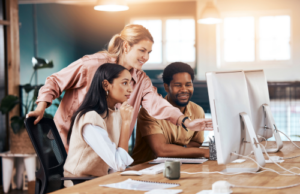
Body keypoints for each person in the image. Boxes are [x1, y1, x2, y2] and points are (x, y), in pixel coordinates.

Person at [26, 24, 212, 152]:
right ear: (125, 46)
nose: (146, 57)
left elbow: (157, 104)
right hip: (70, 140)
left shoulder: (140, 80)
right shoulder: (92, 65)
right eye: (142, 50)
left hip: (108, 147)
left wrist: (186, 122)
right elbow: (55, 81)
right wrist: (41, 107)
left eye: (149, 52)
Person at [131, 62, 211, 165]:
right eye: (178, 85)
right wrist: (205, 152)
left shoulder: (197, 110)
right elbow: (162, 150)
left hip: (181, 167)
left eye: (188, 85)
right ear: (166, 87)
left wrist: (178, 150)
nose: (184, 90)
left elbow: (196, 143)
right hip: (144, 171)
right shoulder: (150, 111)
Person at [64, 63, 134, 180]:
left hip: (100, 180)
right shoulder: (90, 118)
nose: (130, 89)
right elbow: (119, 163)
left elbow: (117, 165)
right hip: (80, 185)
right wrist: (126, 123)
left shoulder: (115, 113)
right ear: (106, 85)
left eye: (130, 83)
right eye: (124, 83)